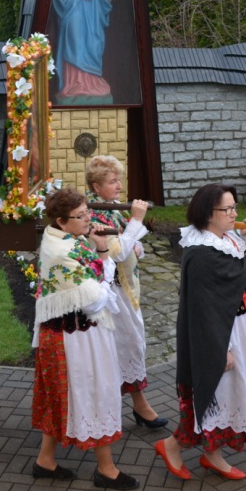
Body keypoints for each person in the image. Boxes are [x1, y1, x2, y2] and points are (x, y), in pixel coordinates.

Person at [31, 187, 139, 490]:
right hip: (75, 337)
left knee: (62, 396)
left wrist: (96, 249)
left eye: (87, 211)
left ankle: (45, 461)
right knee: (95, 394)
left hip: (69, 332)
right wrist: (103, 254)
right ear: (61, 221)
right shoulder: (61, 252)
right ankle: (106, 470)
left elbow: (91, 278)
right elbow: (94, 301)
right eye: (81, 216)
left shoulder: (63, 236)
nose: (88, 219)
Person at [155, 184, 246, 481]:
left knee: (230, 393)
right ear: (207, 213)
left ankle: (211, 454)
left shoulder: (228, 240)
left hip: (236, 327)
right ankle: (173, 446)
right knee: (216, 391)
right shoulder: (202, 253)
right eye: (227, 209)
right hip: (217, 334)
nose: (234, 214)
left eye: (234, 207)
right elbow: (204, 309)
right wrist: (221, 349)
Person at [84, 156, 164, 429]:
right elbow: (116, 251)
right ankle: (119, 410)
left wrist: (136, 247)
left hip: (124, 290)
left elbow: (128, 243)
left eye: (119, 179)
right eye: (112, 181)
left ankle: (136, 406)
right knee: (122, 347)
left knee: (131, 346)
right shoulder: (93, 214)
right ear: (96, 187)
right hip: (108, 294)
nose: (119, 185)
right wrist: (138, 220)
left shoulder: (113, 209)